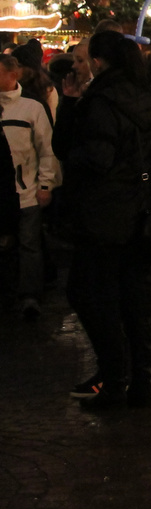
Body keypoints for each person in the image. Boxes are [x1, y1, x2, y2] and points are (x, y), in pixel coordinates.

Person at [53, 32, 151, 409]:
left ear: (99, 62)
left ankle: (115, 378)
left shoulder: (101, 101)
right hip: (138, 209)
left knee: (88, 292)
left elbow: (91, 155)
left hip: (104, 213)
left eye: (84, 60)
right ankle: (141, 380)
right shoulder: (143, 96)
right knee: (134, 298)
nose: (80, 67)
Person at [0, 54, 58, 319]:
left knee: (29, 244)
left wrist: (45, 184)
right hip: (7, 193)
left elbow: (47, 149)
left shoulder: (31, 108)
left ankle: (29, 296)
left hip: (25, 190)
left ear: (12, 75)